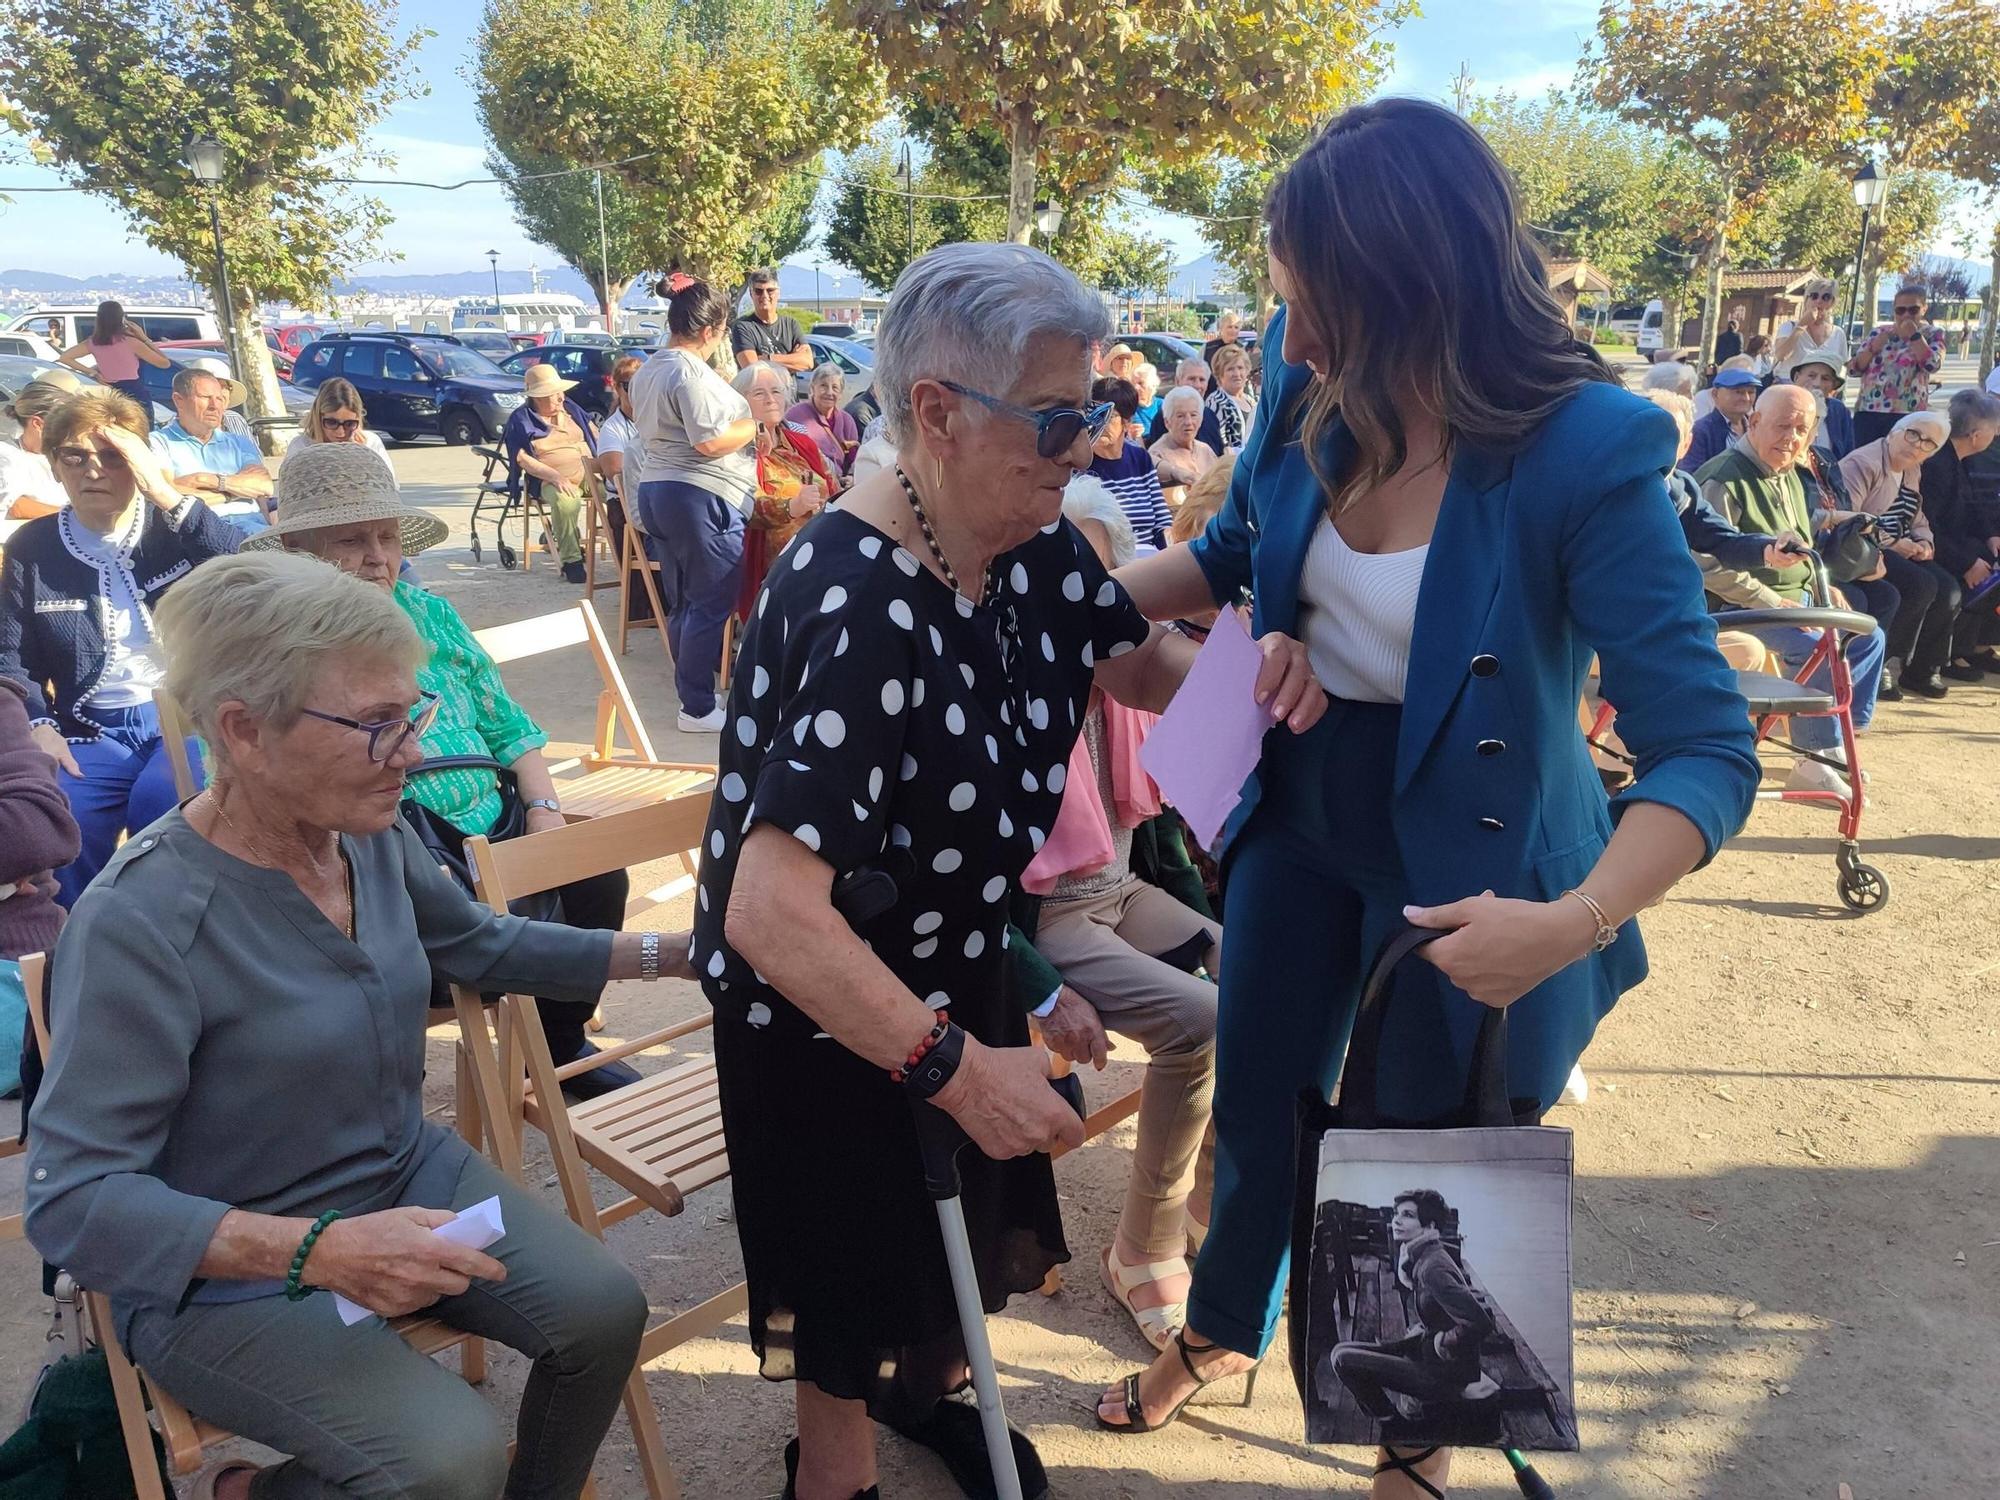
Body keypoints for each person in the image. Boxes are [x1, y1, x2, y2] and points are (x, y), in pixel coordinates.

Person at [1095, 101, 1759, 1500]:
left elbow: (1706, 749)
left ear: (1410, 288)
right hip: (1304, 808)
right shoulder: (1303, 374)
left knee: (1419, 1164)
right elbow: (1223, 553)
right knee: (1266, 1102)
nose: (1292, 332)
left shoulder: (1588, 448)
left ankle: (1410, 1456)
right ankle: (1221, 1331)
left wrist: (1570, 923)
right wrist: (1042, 596)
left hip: (1486, 858)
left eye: (1315, 301)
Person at [685, 240, 1323, 1500]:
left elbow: (1132, 665)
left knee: (950, 1243)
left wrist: (1262, 689)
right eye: (1054, 418)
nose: (1084, 446)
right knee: (855, 1271)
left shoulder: (1022, 542)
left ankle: (933, 1393)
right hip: (828, 1009)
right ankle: (836, 1473)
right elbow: (769, 912)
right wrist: (949, 1068)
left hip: (958, 953)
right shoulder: (858, 597)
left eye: (1091, 411)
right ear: (934, 410)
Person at [24, 549, 683, 1500]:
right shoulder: (142, 921)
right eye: (377, 725)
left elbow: (484, 948)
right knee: (446, 1459)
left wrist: (686, 952)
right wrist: (318, 1250)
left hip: (398, 1174)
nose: (412, 750)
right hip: (225, 1271)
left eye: (407, 714)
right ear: (244, 733)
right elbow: (72, 1201)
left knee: (605, 1313)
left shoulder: (364, 832)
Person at [254, 442, 645, 1100]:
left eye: (387, 536)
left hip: (498, 825)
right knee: (444, 918)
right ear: (299, 552)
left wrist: (546, 813)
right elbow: (266, 802)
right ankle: (496, 1014)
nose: (378, 557)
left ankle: (557, 1041)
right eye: (351, 540)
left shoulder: (432, 613)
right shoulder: (280, 653)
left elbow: (510, 728)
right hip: (395, 849)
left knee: (597, 868)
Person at [1007, 475, 1220, 1355]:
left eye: (1100, 579)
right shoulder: (1006, 689)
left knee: (1266, 981)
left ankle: (1209, 1210)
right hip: (1045, 922)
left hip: (1121, 892)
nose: (1083, 601)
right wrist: (1044, 991)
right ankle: (1143, 1249)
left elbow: (1160, 835)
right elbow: (966, 889)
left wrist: (1209, 929)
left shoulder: (1125, 683)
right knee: (1208, 1025)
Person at [0, 388, 238, 905]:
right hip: (89, 731)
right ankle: (83, 953)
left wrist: (166, 492)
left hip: (188, 716)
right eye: (76, 456)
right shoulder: (32, 548)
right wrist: (37, 727)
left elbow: (247, 574)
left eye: (114, 457)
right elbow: (12, 656)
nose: (94, 471)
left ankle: (178, 946)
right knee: (63, 820)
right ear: (54, 464)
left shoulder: (173, 529)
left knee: (166, 804)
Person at [1696, 384, 1884, 800]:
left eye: (1804, 429)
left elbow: (1802, 543)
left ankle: (1839, 740)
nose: (1794, 438)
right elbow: (1707, 566)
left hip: (1794, 597)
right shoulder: (1722, 477)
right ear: (1755, 421)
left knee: (1867, 636)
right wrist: (1769, 600)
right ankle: (1813, 757)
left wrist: (1824, 587)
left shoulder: (1791, 474)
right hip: (1736, 603)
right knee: (1816, 645)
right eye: (1784, 426)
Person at [630, 279, 757, 734]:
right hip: (700, 494)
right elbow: (708, 442)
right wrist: (751, 425)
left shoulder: (649, 369)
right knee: (709, 603)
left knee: (685, 602)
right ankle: (697, 707)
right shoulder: (688, 372)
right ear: (712, 329)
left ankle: (692, 693)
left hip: (661, 491)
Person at [1329, 1190, 1500, 1436]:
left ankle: (1395, 1427)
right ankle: (1392, 1419)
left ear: (1429, 1225)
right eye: (1397, 1214)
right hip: (1427, 1354)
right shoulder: (1422, 1255)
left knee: (1342, 1361)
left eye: (1407, 1215)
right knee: (1340, 1350)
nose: (1396, 1221)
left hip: (1444, 1375)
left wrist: (1443, 1342)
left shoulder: (1433, 1267)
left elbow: (1481, 1322)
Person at [1837, 411, 1954, 699]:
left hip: (1896, 543)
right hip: (1861, 546)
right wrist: (1895, 543)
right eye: (1913, 434)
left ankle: (1916, 666)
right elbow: (1850, 519)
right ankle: (1880, 663)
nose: (1917, 444)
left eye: (1928, 443)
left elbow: (1917, 516)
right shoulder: (1863, 463)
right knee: (1917, 585)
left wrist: (1924, 541)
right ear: (1894, 432)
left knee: (1947, 587)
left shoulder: (1911, 467)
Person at [733, 360, 833, 615]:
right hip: (776, 565)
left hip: (820, 548)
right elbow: (744, 507)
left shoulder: (801, 443)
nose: (770, 399)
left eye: (776, 391)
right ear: (740, 401)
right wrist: (793, 506)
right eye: (759, 393)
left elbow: (831, 486)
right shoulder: (738, 451)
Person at [1919, 388, 2000, 681]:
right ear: (1977, 435)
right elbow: (1931, 525)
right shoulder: (1938, 464)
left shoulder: (1959, 458)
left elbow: (1973, 507)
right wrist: (1967, 562)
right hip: (1934, 545)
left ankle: (1974, 645)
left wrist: (1992, 535)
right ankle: (1949, 653)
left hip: (1958, 539)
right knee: (1965, 579)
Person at [147, 366, 274, 538]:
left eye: (220, 398)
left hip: (255, 529)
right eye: (205, 397)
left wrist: (202, 479)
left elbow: (264, 486)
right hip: (201, 533)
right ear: (178, 400)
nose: (215, 406)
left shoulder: (238, 442)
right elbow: (165, 494)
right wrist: (234, 493)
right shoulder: (158, 442)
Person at [502, 363, 595, 585]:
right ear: (537, 397)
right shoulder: (521, 419)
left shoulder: (571, 409)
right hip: (549, 479)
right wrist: (555, 477)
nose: (561, 398)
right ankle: (572, 561)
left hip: (590, 474)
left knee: (616, 494)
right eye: (553, 394)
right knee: (566, 502)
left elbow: (594, 433)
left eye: (560, 392)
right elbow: (522, 459)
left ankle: (625, 550)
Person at [1848, 285, 1946, 447]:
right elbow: (1854, 369)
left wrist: (1915, 336)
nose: (1906, 315)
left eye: (1913, 310)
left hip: (1908, 413)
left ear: (1924, 309)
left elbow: (1932, 364)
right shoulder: (1879, 332)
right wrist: (1873, 347)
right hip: (1869, 410)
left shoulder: (1932, 334)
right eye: (1900, 310)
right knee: (1866, 463)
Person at [1087, 376, 1173, 554]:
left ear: (1127, 422)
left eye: (1109, 416)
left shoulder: (1140, 459)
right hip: (1109, 561)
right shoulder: (1082, 466)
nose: (1099, 423)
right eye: (1095, 414)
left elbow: (1162, 521)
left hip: (1149, 556)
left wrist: (1169, 552)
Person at [1, 377, 78, 541]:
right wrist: (77, 517)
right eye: (64, 424)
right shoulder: (7, 455)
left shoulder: (67, 453)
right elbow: (16, 506)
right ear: (38, 423)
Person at [56, 300, 168, 409]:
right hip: (134, 391)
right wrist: (144, 338)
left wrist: (93, 373)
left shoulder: (93, 342)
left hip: (108, 391)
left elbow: (65, 357)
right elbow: (164, 363)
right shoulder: (131, 342)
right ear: (121, 319)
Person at [284, 376, 395, 480]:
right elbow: (287, 491)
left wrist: (360, 456)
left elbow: (391, 485)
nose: (341, 432)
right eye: (332, 423)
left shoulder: (370, 443)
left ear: (358, 418)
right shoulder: (300, 447)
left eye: (349, 424)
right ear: (318, 417)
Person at [732, 268, 814, 374]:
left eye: (770, 290)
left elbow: (807, 362)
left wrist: (766, 358)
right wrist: (792, 359)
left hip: (788, 390)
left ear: (778, 293)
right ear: (751, 294)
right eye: (758, 291)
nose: (765, 296)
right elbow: (752, 368)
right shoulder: (743, 327)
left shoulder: (791, 325)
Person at [1148, 386, 1221, 506]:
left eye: (1193, 415)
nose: (1188, 422)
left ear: (1201, 419)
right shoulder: (1157, 454)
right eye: (1180, 416)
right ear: (1167, 422)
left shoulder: (1205, 449)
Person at [1680, 366, 1759, 472]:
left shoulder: (1756, 427)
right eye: (1738, 392)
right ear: (1715, 394)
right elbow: (1691, 474)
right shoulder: (1700, 431)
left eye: (1751, 392)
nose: (1746, 398)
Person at [787, 362, 862, 475]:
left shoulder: (847, 421)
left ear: (841, 394)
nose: (829, 392)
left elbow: (853, 460)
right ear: (812, 388)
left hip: (840, 486)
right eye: (823, 386)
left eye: (835, 387)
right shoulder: (795, 415)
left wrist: (851, 477)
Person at [1773, 277, 1847, 381]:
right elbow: (1781, 356)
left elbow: (1841, 366)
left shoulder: (1838, 333)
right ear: (1806, 300)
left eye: (1826, 297)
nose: (1819, 301)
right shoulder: (1789, 327)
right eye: (1814, 296)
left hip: (1821, 391)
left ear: (1832, 303)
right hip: (1790, 387)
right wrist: (1802, 326)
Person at [1146, 358, 1225, 452]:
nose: (1197, 385)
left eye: (1202, 380)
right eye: (1191, 379)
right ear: (1178, 381)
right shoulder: (1165, 416)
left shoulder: (1211, 416)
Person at [1792, 356, 1856, 461]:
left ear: (1833, 386)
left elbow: (1848, 454)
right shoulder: (1782, 404)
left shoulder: (1838, 410)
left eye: (1825, 378)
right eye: (1811, 376)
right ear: (1796, 377)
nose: (1817, 383)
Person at [1205, 344, 1257, 451]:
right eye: (1230, 369)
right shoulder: (1216, 401)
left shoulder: (1251, 401)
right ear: (1220, 374)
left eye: (1240, 368)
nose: (1237, 373)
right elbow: (1216, 441)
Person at [1132, 361, 1163, 432]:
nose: (1135, 387)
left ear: (1152, 385)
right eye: (1133, 383)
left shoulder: (1162, 405)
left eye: (1140, 383)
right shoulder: (1131, 408)